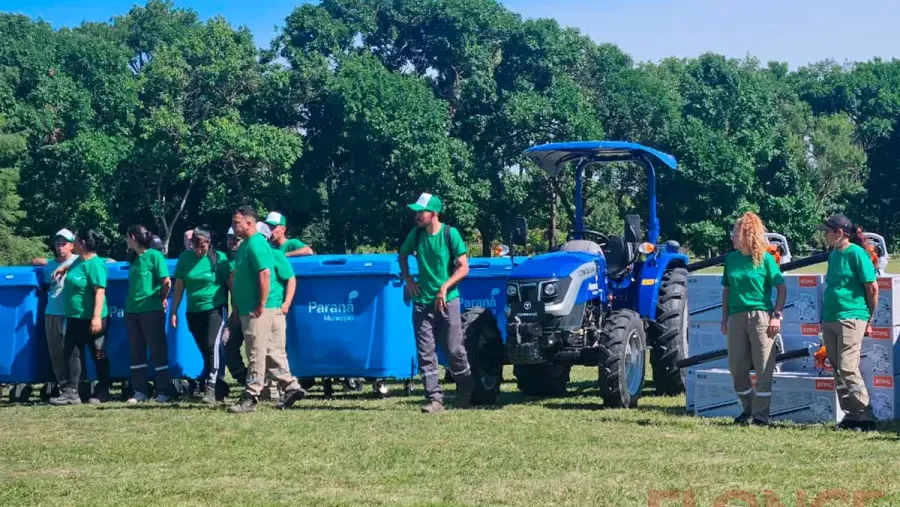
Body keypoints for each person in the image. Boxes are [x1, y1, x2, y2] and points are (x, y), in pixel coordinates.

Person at [398, 192, 473, 413]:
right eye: (416, 212)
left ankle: (466, 390)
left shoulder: (450, 234)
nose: (416, 216)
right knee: (425, 353)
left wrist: (444, 287)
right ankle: (435, 399)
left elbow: (464, 268)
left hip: (448, 301)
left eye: (421, 212)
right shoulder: (416, 235)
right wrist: (409, 280)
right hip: (422, 302)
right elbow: (402, 255)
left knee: (453, 349)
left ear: (434, 213)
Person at [228, 206, 306, 413]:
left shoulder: (255, 244)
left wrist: (260, 304)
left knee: (255, 351)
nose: (233, 226)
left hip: (258, 309)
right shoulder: (245, 245)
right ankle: (291, 387)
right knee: (271, 351)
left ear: (249, 224)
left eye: (236, 222)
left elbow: (265, 274)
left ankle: (251, 396)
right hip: (252, 307)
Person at [720, 212, 787, 426]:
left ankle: (761, 416)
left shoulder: (765, 259)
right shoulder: (731, 259)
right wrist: (724, 319)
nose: (732, 237)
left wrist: (776, 315)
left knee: (763, 367)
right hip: (736, 317)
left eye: (736, 233)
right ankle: (748, 408)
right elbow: (727, 291)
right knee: (736, 367)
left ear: (748, 234)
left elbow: (781, 288)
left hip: (761, 317)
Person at [818, 213, 879, 432]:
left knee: (847, 366)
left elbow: (872, 288)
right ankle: (851, 415)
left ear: (840, 233)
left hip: (852, 316)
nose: (824, 235)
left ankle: (866, 413)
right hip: (831, 317)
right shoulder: (833, 255)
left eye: (827, 231)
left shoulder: (857, 254)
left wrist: (869, 318)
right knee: (837, 368)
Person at [49, 229, 112, 405]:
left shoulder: (95, 264)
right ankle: (72, 393)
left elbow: (100, 292)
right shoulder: (78, 260)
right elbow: (74, 266)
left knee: (98, 354)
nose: (73, 243)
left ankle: (103, 390)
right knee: (71, 353)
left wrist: (96, 317)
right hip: (74, 317)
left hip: (92, 318)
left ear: (83, 243)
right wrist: (63, 268)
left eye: (75, 240)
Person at [171, 226, 229, 404]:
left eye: (202, 247)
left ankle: (211, 387)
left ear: (209, 243)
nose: (198, 250)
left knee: (212, 346)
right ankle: (218, 385)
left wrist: (235, 309)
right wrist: (174, 311)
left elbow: (231, 284)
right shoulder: (184, 259)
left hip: (215, 308)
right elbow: (179, 287)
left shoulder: (219, 258)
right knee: (205, 349)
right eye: (195, 246)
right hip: (194, 311)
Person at [124, 224, 173, 403]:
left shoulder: (155, 256)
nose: (126, 241)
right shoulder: (133, 258)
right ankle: (140, 391)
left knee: (157, 349)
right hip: (132, 310)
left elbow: (166, 281)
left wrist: (161, 297)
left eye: (127, 237)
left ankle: (163, 391)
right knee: (136, 350)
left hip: (151, 310)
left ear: (133, 237)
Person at [256, 222, 302, 405]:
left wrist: (286, 305)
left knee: (275, 351)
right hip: (256, 309)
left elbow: (291, 279)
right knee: (260, 351)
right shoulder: (250, 255)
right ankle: (268, 389)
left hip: (273, 308)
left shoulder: (276, 255)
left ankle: (288, 387)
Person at [32, 229, 78, 399]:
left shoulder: (79, 261)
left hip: (71, 312)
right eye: (58, 244)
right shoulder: (50, 265)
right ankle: (63, 385)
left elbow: (97, 260)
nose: (60, 247)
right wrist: (41, 261)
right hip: (51, 312)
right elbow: (35, 262)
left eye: (64, 244)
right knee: (55, 351)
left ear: (72, 245)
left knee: (72, 351)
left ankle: (74, 386)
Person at [222, 227, 248, 386]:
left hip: (253, 309)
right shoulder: (224, 260)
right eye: (230, 238)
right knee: (226, 342)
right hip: (237, 311)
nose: (232, 241)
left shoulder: (249, 257)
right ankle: (242, 376)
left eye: (236, 239)